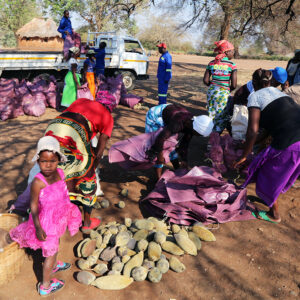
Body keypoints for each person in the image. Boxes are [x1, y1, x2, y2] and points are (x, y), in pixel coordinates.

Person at [9, 136, 82, 296]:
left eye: (52, 161)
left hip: (58, 218)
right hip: (46, 224)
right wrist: (37, 226)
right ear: (38, 161)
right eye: (43, 161)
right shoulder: (38, 182)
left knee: (55, 245)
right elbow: (33, 205)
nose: (48, 165)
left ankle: (54, 264)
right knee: (49, 253)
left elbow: (63, 190)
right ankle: (45, 285)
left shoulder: (61, 173)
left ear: (58, 160)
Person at [234, 69, 300, 223]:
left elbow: (252, 130)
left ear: (254, 82)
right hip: (294, 138)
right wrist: (252, 144)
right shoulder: (281, 94)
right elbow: (269, 129)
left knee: (267, 173)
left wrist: (244, 155)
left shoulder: (255, 97)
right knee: (277, 172)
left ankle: (274, 214)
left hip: (290, 141)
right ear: (269, 82)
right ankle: (270, 199)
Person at [45, 98, 114, 231]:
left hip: (53, 128)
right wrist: (92, 169)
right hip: (75, 130)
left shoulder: (82, 100)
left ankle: (52, 213)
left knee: (57, 171)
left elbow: (66, 117)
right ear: (111, 107)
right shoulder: (108, 116)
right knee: (87, 178)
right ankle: (87, 222)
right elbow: (99, 151)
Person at [145, 104, 214, 179]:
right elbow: (160, 139)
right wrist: (159, 156)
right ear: (195, 129)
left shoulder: (191, 125)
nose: (197, 136)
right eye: (198, 134)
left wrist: (184, 160)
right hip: (156, 115)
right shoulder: (177, 124)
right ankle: (158, 179)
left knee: (171, 143)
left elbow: (184, 144)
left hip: (172, 114)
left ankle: (177, 168)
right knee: (156, 146)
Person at [203, 40, 237, 133]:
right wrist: (226, 90)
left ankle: (210, 138)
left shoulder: (212, 63)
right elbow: (234, 85)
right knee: (221, 117)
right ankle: (214, 141)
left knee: (212, 115)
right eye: (232, 51)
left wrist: (214, 86)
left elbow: (205, 81)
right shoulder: (232, 65)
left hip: (212, 92)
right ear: (226, 52)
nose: (233, 53)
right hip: (223, 94)